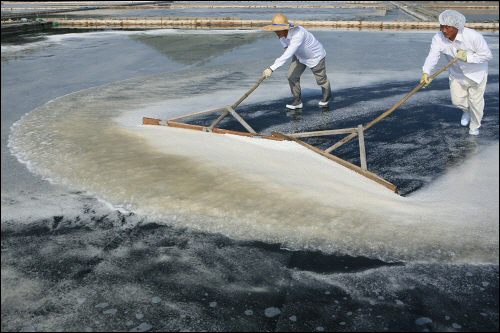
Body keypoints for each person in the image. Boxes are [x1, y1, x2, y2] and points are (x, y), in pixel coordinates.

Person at [420, 10, 492, 135]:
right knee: (457, 101)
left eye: (447, 27)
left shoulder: (473, 36)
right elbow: (433, 56)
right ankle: (467, 111)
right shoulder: (438, 38)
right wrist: (426, 72)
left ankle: (474, 127)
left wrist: (467, 58)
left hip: (476, 73)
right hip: (456, 74)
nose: (444, 30)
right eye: (442, 27)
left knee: (476, 102)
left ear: (456, 27)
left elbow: (487, 56)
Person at [261, 13, 331, 110]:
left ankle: (326, 98)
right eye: (275, 30)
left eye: (277, 30)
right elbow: (287, 48)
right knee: (291, 76)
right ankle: (297, 101)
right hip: (300, 56)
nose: (275, 32)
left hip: (315, 56)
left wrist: (271, 68)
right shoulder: (281, 35)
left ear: (285, 28)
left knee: (321, 80)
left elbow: (288, 54)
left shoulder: (298, 34)